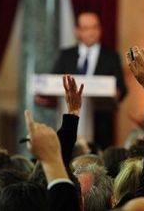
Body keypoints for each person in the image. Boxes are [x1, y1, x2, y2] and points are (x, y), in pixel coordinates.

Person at [52, 11, 127, 148]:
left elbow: (122, 87)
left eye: (95, 27)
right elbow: (53, 83)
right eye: (86, 28)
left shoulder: (111, 56)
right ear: (77, 31)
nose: (91, 32)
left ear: (100, 29)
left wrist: (116, 93)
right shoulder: (66, 55)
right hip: (69, 123)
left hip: (100, 126)